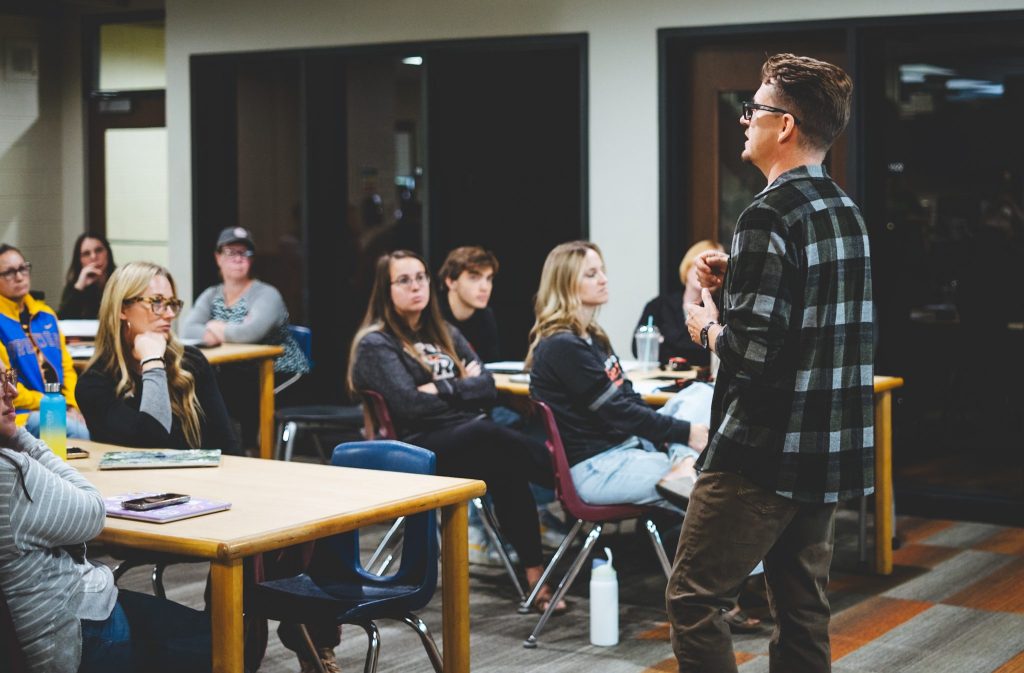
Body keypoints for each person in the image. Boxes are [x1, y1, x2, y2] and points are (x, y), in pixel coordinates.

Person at [665, 54, 874, 672]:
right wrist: (742, 276)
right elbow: (811, 316)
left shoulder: (766, 213)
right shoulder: (845, 212)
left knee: (695, 600)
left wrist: (706, 325)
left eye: (753, 109)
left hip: (761, 448)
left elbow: (752, 351)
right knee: (802, 608)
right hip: (824, 446)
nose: (744, 121)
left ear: (784, 126)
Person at [348, 250, 563, 611]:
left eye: (420, 277)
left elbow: (489, 386)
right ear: (386, 290)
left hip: (463, 435)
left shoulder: (443, 332)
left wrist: (440, 389)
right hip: (414, 447)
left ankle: (535, 576)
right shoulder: (376, 344)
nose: (416, 286)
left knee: (505, 467)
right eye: (404, 280)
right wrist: (462, 386)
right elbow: (410, 405)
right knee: (491, 435)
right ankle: (564, 477)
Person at [0, 361, 212, 673]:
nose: (13, 391)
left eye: (10, 377)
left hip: (29, 635)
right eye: (0, 381)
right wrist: (20, 436)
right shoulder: (10, 472)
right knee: (219, 638)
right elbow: (93, 511)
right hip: (70, 635)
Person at [525, 240, 709, 511]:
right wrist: (686, 432)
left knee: (701, 393)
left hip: (628, 448)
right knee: (711, 485)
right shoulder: (561, 346)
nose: (603, 279)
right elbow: (618, 411)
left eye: (602, 271)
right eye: (591, 274)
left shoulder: (593, 336)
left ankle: (682, 463)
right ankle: (683, 465)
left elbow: (628, 396)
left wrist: (677, 435)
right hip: (598, 466)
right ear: (565, 285)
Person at [75, 261, 239, 454]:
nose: (170, 314)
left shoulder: (190, 361)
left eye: (172, 304)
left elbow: (227, 445)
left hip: (198, 481)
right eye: (157, 303)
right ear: (122, 309)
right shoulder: (94, 384)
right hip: (132, 483)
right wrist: (152, 364)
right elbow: (152, 442)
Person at [181, 227, 309, 449]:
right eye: (231, 252)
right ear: (218, 257)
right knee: (201, 385)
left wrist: (216, 327)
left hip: (280, 371)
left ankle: (247, 451)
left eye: (244, 253)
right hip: (237, 371)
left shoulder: (266, 294)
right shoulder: (211, 294)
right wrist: (230, 329)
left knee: (229, 391)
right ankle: (224, 449)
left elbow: (250, 333)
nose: (238, 259)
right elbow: (187, 329)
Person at [0, 244, 89, 439]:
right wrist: (53, 404)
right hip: (21, 414)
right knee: (79, 433)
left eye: (23, 268)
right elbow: (6, 385)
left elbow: (67, 368)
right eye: (9, 272)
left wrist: (72, 404)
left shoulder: (46, 315)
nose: (19, 276)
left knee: (99, 420)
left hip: (59, 406)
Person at [632, 240, 723, 368]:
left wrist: (666, 341)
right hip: (662, 380)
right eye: (701, 265)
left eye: (712, 269)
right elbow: (638, 349)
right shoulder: (658, 305)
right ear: (688, 266)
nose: (705, 272)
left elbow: (715, 354)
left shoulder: (722, 309)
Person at [437, 245, 501, 363]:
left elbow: (491, 366)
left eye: (488, 279)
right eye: (474, 278)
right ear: (451, 282)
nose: (485, 287)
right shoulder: (433, 315)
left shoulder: (486, 316)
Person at [58, 232, 116, 319]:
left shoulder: (122, 281)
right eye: (86, 253)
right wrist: (79, 287)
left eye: (98, 250)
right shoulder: (74, 287)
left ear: (108, 253)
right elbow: (63, 322)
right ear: (80, 260)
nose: (93, 257)